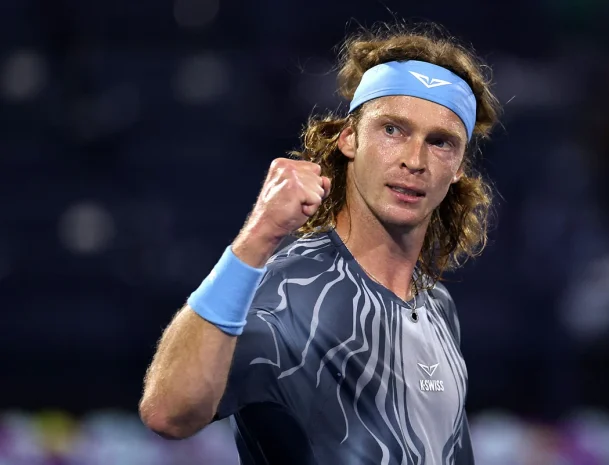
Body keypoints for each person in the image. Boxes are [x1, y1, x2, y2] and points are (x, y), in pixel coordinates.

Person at [139, 22, 500, 465]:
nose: (414, 160)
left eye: (440, 142)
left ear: (459, 166)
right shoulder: (286, 291)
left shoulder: (437, 306)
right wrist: (258, 237)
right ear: (349, 138)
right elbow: (168, 414)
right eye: (392, 130)